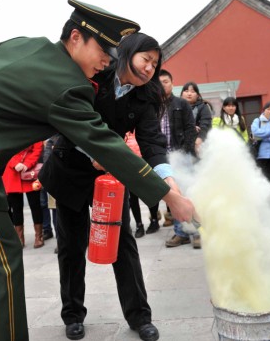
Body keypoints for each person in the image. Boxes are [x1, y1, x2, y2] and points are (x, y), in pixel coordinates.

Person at [0, 0, 195, 341]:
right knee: (2, 268)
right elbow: (105, 144)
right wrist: (169, 195)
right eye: (104, 50)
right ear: (77, 37)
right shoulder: (72, 86)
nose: (108, 60)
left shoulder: (25, 44)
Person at [40, 32, 178, 341]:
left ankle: (140, 317)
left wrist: (170, 183)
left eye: (156, 64)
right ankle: (73, 315)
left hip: (111, 175)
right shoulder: (95, 72)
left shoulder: (145, 97)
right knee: (72, 244)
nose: (150, 69)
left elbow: (153, 142)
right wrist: (98, 151)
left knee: (123, 243)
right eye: (146, 59)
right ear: (128, 54)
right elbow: (68, 116)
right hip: (71, 168)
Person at [156, 70, 197, 248]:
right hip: (162, 158)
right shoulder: (152, 106)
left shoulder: (182, 104)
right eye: (159, 82)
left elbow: (190, 130)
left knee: (188, 193)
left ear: (172, 83)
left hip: (180, 156)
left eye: (165, 81)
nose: (162, 85)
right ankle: (181, 233)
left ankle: (196, 232)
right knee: (173, 196)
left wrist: (185, 152)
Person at [2, 142, 45, 248]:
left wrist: (27, 164)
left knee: (35, 206)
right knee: (16, 208)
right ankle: (19, 238)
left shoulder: (33, 128)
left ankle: (39, 236)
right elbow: (3, 148)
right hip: (12, 172)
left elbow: (37, 148)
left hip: (29, 171)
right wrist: (15, 163)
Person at [180, 81, 213, 156]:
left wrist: (200, 139)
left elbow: (206, 125)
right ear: (182, 94)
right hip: (180, 146)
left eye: (192, 91)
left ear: (197, 95)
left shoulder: (203, 107)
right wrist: (191, 127)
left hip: (197, 145)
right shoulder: (177, 107)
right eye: (186, 91)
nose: (189, 94)